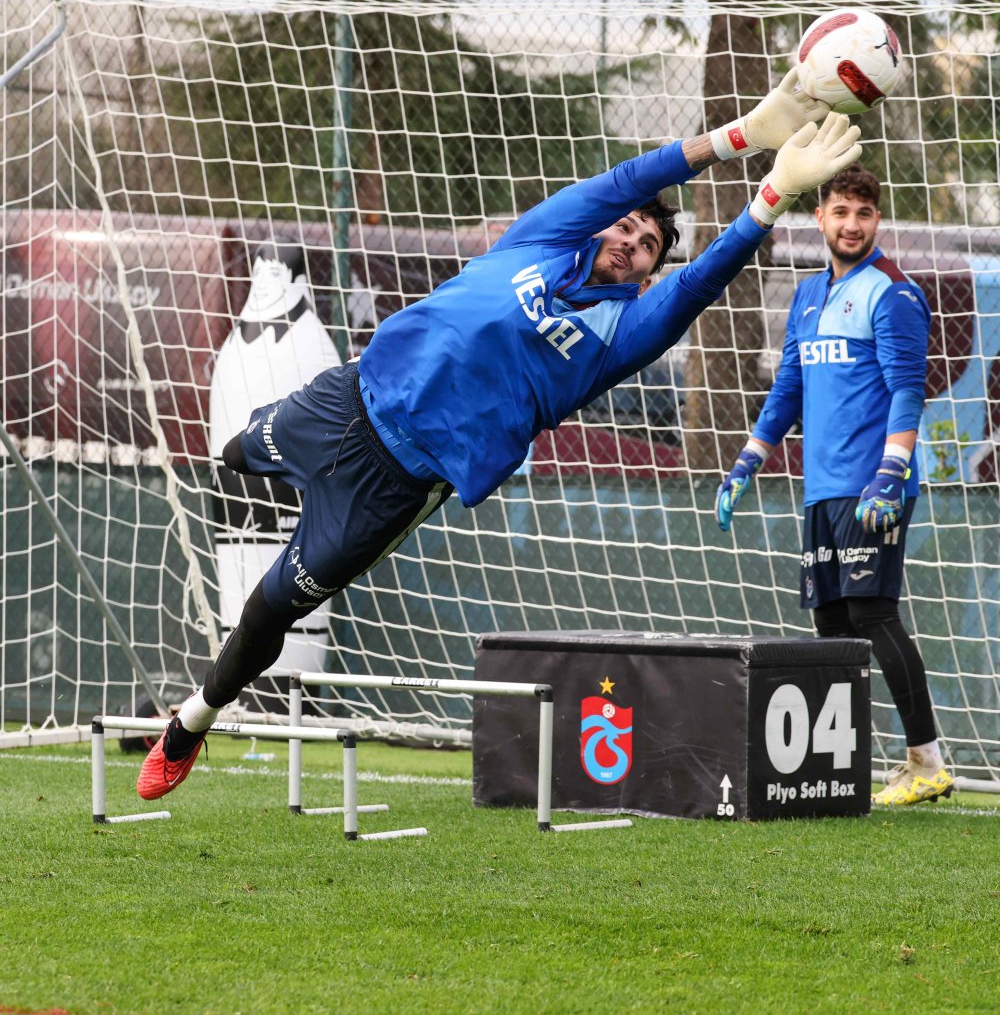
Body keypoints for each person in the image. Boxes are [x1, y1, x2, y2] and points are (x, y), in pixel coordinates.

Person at [138, 73, 862, 801]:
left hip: (395, 481)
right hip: (346, 400)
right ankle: (266, 512)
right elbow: (629, 177)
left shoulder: (621, 333)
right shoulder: (544, 237)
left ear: (647, 274)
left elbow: (701, 280)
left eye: (648, 247)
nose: (634, 242)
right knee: (233, 454)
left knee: (273, 607)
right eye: (629, 227)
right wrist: (741, 135)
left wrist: (772, 195)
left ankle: (191, 722)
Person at [715, 163, 953, 807]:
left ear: (877, 220)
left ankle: (927, 762)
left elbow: (908, 392)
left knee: (873, 615)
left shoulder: (894, 293)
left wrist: (890, 474)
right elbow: (789, 387)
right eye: (841, 212)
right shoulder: (807, 295)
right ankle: (833, 767)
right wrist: (748, 461)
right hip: (822, 488)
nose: (852, 224)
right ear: (819, 217)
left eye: (864, 213)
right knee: (832, 626)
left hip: (874, 485)